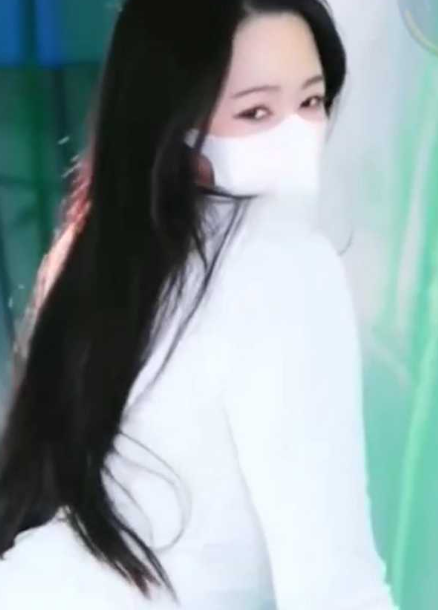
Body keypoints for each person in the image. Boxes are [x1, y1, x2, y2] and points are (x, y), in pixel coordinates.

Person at [0, 0, 398, 608]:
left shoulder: (112, 258)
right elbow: (333, 583)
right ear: (177, 119)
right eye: (256, 110)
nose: (297, 130)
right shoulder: (282, 265)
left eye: (312, 100)